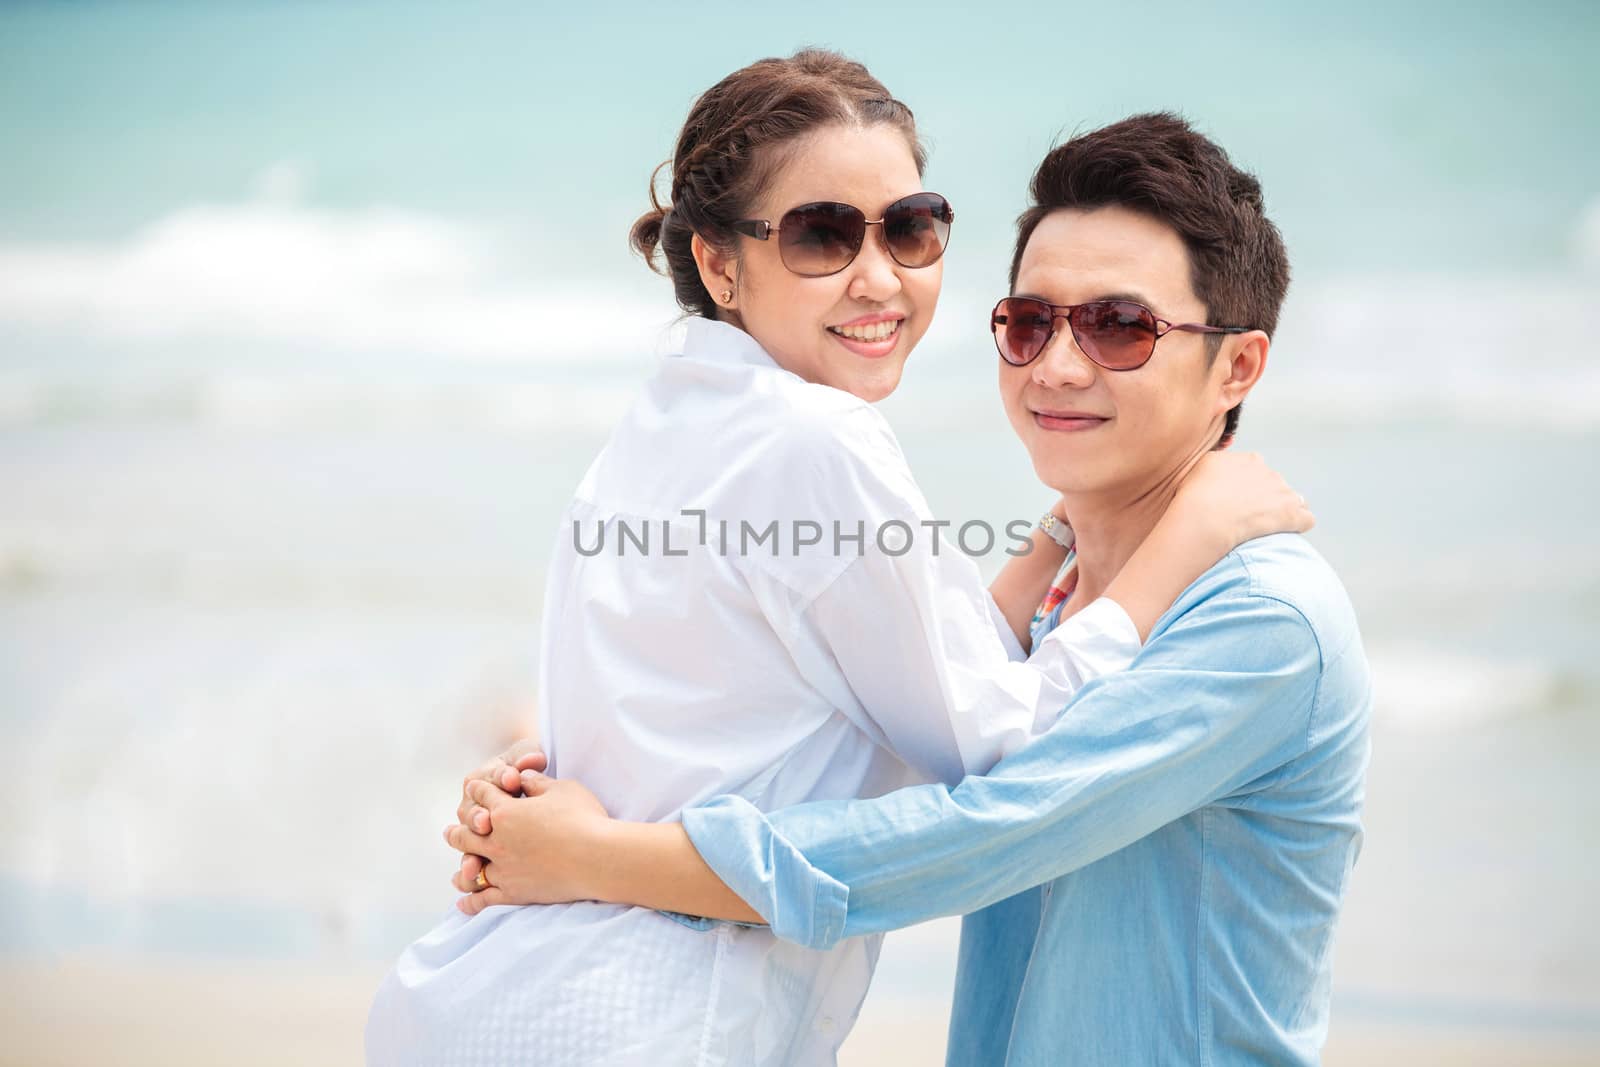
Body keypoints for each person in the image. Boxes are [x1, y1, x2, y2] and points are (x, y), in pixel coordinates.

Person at [380, 50, 1307, 1063]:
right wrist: (1180, 543)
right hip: (645, 1019)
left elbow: (908, 671)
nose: (880, 277)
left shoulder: (661, 427)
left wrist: (1066, 525)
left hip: (504, 990)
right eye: (822, 234)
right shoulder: (818, 441)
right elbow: (994, 745)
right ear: (720, 262)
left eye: (909, 228)